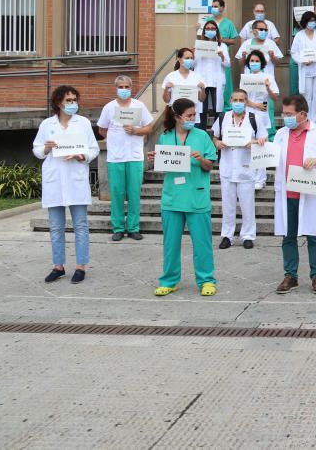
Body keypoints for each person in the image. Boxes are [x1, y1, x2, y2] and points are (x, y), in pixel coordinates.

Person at [147, 98, 218, 296]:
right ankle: (169, 280)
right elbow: (164, 167)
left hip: (196, 196)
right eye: (189, 116)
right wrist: (156, 159)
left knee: (202, 242)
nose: (193, 118)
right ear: (178, 117)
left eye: (194, 115)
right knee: (170, 243)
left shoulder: (202, 136)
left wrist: (201, 159)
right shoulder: (166, 136)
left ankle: (207, 280)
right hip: (172, 198)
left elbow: (210, 165)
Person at [33, 86, 100, 284]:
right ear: (58, 103)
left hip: (75, 178)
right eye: (68, 100)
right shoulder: (47, 124)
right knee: (55, 227)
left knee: (80, 225)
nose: (72, 104)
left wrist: (82, 155)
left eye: (74, 100)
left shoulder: (83, 123)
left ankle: (81, 266)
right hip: (55, 179)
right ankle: (58, 266)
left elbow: (93, 149)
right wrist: (45, 148)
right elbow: (36, 149)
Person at [273, 94, 316, 294]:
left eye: (289, 114)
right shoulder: (281, 133)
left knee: (314, 235)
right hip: (287, 192)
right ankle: (290, 275)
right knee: (288, 236)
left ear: (302, 114)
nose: (286, 117)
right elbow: (272, 157)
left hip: (308, 191)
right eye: (284, 113)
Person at [96, 75, 152, 241]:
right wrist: (115, 138)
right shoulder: (109, 107)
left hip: (134, 156)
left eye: (127, 87)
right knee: (117, 193)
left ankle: (134, 227)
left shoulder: (139, 105)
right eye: (121, 87)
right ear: (116, 88)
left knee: (134, 193)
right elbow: (102, 129)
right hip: (116, 157)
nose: (124, 90)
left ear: (131, 88)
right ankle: (118, 228)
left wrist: (135, 131)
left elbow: (148, 128)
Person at [212, 89, 263, 250]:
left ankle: (248, 235)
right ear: (230, 101)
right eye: (235, 100)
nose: (238, 103)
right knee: (227, 205)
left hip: (246, 167)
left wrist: (254, 142)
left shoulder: (254, 118)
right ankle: (227, 235)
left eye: (241, 100)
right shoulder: (223, 117)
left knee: (248, 204)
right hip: (227, 167)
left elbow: (263, 138)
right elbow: (215, 136)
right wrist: (217, 143)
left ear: (246, 101)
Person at [198, 0, 239, 111]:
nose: (214, 8)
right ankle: (210, 109)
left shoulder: (228, 23)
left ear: (222, 8)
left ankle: (225, 107)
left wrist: (220, 40)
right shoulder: (207, 21)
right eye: (213, 6)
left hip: (221, 58)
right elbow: (202, 38)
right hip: (208, 60)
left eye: (216, 6)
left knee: (223, 87)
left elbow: (234, 40)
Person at [291, 10, 316, 119]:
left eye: (313, 20)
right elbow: (294, 52)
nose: (312, 22)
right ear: (305, 22)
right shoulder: (299, 35)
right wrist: (302, 60)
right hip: (306, 70)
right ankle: (306, 118)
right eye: (310, 20)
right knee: (307, 95)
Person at [195, 19, 231, 126]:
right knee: (202, 108)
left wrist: (222, 56)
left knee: (217, 108)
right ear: (204, 31)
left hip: (217, 81)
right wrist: (194, 54)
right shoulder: (198, 45)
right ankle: (202, 132)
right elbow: (192, 65)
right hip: (202, 81)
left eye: (213, 28)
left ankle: (217, 133)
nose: (210, 30)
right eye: (208, 28)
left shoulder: (222, 46)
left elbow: (228, 64)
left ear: (216, 30)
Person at [162, 48, 206, 123]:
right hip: (176, 116)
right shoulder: (171, 76)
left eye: (192, 58)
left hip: (192, 116)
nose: (190, 60)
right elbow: (166, 100)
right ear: (179, 59)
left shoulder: (197, 76)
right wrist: (166, 89)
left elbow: (202, 99)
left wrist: (202, 89)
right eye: (187, 58)